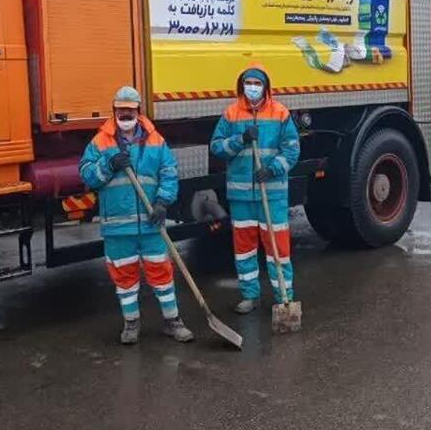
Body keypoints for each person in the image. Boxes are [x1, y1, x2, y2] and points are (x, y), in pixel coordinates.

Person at [80, 86, 194, 345]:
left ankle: (172, 321)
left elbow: (169, 171)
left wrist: (163, 202)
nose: (125, 114)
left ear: (138, 111)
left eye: (130, 110)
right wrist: (107, 165)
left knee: (162, 274)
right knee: (124, 278)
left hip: (151, 222)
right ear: (114, 111)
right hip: (118, 227)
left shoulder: (156, 140)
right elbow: (86, 175)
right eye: (120, 110)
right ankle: (131, 324)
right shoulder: (100, 142)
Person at [209, 66, 301, 314]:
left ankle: (284, 296)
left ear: (265, 87)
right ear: (242, 86)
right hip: (241, 196)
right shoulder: (231, 114)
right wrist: (240, 139)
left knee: (277, 248)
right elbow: (216, 147)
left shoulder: (280, 113)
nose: (252, 87)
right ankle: (250, 295)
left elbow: (292, 149)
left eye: (256, 83)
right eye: (248, 83)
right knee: (244, 249)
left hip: (272, 194)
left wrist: (272, 169)